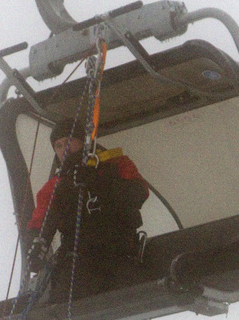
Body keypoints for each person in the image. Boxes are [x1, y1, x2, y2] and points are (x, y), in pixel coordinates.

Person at [26, 120, 150, 300]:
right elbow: (41, 219)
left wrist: (100, 182)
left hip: (120, 251)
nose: (64, 149)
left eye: (69, 141)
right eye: (58, 145)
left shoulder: (115, 163)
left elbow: (139, 193)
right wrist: (36, 243)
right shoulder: (55, 186)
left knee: (137, 298)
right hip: (79, 259)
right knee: (62, 304)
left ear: (82, 141)